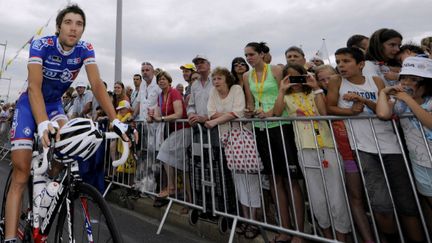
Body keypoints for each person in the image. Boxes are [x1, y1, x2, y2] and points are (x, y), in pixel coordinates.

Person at [4, 5, 129, 243]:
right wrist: (41, 123)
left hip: (55, 106)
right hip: (30, 104)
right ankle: (10, 237)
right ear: (59, 26)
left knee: (66, 146)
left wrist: (115, 120)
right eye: (69, 22)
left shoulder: (85, 49)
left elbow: (97, 84)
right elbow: (33, 87)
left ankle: (47, 191)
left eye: (79, 24)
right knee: (21, 169)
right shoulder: (41, 45)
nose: (74, 28)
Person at [327, 47, 423, 243]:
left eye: (346, 61)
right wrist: (351, 112)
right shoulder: (337, 81)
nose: (341, 65)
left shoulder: (376, 81)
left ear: (361, 64)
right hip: (362, 148)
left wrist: (363, 101)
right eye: (338, 62)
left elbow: (384, 108)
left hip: (391, 145)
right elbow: (329, 108)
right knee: (381, 204)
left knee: (406, 202)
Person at [273, 63, 350, 242]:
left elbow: (323, 112)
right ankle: (327, 237)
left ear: (305, 75)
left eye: (298, 77)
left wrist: (315, 88)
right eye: (290, 78)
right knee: (317, 199)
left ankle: (341, 238)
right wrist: (282, 90)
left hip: (327, 146)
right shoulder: (286, 97)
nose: (296, 82)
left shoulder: (315, 93)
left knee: (337, 196)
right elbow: (277, 113)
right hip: (305, 148)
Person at [243, 42, 304, 243]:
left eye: (251, 54)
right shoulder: (246, 76)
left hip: (281, 125)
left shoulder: (277, 70)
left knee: (290, 179)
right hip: (261, 129)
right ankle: (285, 229)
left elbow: (286, 95)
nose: (248, 58)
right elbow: (251, 102)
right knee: (274, 179)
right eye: (246, 55)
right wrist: (250, 111)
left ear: (262, 54)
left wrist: (270, 113)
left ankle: (299, 233)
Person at [377, 56, 432, 234]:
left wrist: (409, 100)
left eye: (414, 79)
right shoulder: (399, 103)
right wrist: (383, 93)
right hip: (420, 163)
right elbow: (383, 114)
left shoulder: (428, 101)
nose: (407, 82)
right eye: (404, 78)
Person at [205, 67, 261, 239]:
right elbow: (210, 112)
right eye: (214, 79)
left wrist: (215, 122)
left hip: (243, 138)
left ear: (227, 79)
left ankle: (254, 222)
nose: (216, 82)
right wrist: (227, 116)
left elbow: (239, 112)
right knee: (238, 181)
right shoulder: (213, 92)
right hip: (227, 140)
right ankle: (245, 220)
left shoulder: (236, 89)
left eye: (219, 78)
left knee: (250, 180)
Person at [147, 71, 191, 199]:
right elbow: (157, 114)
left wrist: (160, 119)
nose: (161, 81)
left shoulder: (174, 92)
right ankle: (189, 200)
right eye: (159, 79)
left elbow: (178, 114)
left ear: (169, 81)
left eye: (164, 79)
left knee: (164, 152)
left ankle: (172, 187)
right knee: (182, 167)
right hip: (174, 132)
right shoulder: (161, 96)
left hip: (183, 130)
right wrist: (151, 117)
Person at [187, 55, 213, 126]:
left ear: (209, 65)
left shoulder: (216, 80)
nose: (199, 65)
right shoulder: (194, 85)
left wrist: (207, 117)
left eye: (202, 62)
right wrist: (191, 115)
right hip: (199, 125)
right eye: (196, 64)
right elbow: (191, 105)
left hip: (216, 124)